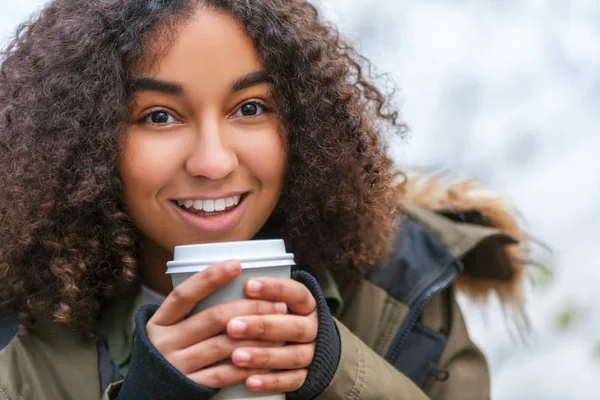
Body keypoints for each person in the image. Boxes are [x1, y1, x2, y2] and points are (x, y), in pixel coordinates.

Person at [0, 0, 529, 399]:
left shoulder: (399, 275)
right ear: (82, 140)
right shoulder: (17, 328)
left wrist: (333, 369)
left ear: (303, 122)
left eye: (250, 107)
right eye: (158, 115)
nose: (214, 162)